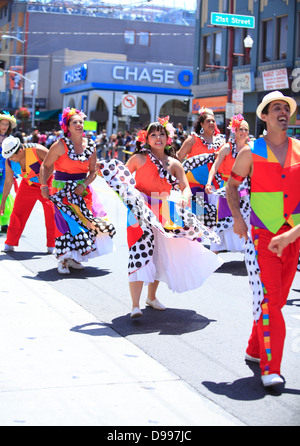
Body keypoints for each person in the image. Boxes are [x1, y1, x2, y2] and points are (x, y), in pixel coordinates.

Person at [98, 116, 222, 318]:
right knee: (138, 252)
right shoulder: (138, 159)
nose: (157, 138)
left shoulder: (174, 163)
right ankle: (135, 305)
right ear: (146, 139)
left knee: (159, 254)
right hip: (138, 211)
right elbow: (122, 181)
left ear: (168, 138)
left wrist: (183, 198)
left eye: (161, 134)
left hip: (164, 210)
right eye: (153, 135)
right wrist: (123, 193)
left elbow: (186, 188)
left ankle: (151, 297)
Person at [226, 91, 300, 388]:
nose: (283, 112)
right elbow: (232, 187)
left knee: (278, 300)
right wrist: (238, 218)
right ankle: (272, 367)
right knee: (271, 300)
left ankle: (255, 349)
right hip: (263, 237)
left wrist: (294, 232)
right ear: (265, 117)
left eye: (286, 108)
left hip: (293, 235)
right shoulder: (250, 152)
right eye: (277, 108)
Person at [39, 107, 116, 275]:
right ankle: (63, 260)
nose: (79, 124)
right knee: (64, 224)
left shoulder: (91, 145)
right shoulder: (59, 145)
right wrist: (44, 185)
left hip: (82, 191)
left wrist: (83, 185)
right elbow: (45, 166)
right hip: (61, 190)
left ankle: (74, 257)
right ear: (67, 126)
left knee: (84, 224)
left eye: (81, 121)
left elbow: (93, 172)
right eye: (75, 122)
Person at [0, 135, 56, 253]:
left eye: (12, 156)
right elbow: (8, 181)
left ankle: (52, 244)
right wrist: (3, 202)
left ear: (20, 151)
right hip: (27, 185)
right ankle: (10, 242)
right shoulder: (9, 162)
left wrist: (44, 183)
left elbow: (53, 164)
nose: (10, 159)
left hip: (46, 183)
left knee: (51, 213)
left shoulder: (37, 150)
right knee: (17, 213)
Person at [205, 115, 251, 252]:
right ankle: (214, 253)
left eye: (246, 130)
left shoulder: (250, 149)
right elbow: (214, 166)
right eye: (240, 129)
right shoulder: (227, 148)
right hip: (227, 189)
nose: (243, 132)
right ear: (235, 131)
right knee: (224, 218)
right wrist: (208, 183)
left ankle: (247, 250)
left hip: (244, 189)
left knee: (245, 215)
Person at [177, 108, 225, 228]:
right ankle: (196, 244)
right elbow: (178, 157)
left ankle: (213, 246)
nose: (212, 123)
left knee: (215, 220)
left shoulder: (221, 141)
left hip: (215, 185)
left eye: (213, 121)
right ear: (202, 124)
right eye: (208, 121)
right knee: (198, 221)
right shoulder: (193, 139)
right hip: (196, 186)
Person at [0, 112, 17, 233]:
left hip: (7, 168)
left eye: (7, 124)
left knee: (5, 192)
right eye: (2, 123)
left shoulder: (11, 139)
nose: (5, 126)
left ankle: (5, 222)